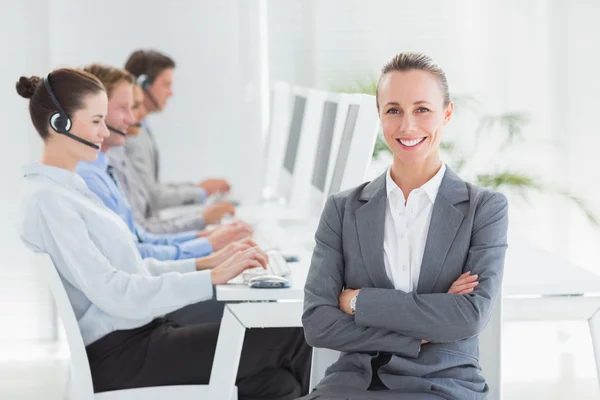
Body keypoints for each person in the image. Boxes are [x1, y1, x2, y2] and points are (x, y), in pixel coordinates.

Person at [17, 68, 311, 399]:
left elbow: (133, 268)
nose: (104, 133)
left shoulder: (71, 190)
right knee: (296, 337)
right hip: (123, 355)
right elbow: (115, 291)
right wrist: (210, 278)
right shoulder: (50, 201)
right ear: (60, 124)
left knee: (279, 384)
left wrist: (205, 266)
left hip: (141, 335)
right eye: (96, 120)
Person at [298, 52, 508, 400]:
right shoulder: (343, 208)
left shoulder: (483, 208)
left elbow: (468, 317)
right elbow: (317, 324)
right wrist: (417, 331)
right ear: (380, 116)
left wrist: (358, 302)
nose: (407, 126)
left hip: (441, 386)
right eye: (393, 110)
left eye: (422, 109)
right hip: (351, 385)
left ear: (447, 114)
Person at [77, 63, 252, 261]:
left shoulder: (104, 166)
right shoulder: (91, 177)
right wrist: (204, 251)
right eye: (125, 108)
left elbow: (139, 238)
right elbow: (134, 256)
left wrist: (203, 239)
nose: (133, 118)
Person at [123, 49, 234, 216]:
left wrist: (199, 188)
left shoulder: (142, 128)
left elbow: (152, 187)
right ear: (142, 85)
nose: (171, 93)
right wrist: (201, 192)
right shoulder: (131, 135)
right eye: (166, 85)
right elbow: (152, 197)